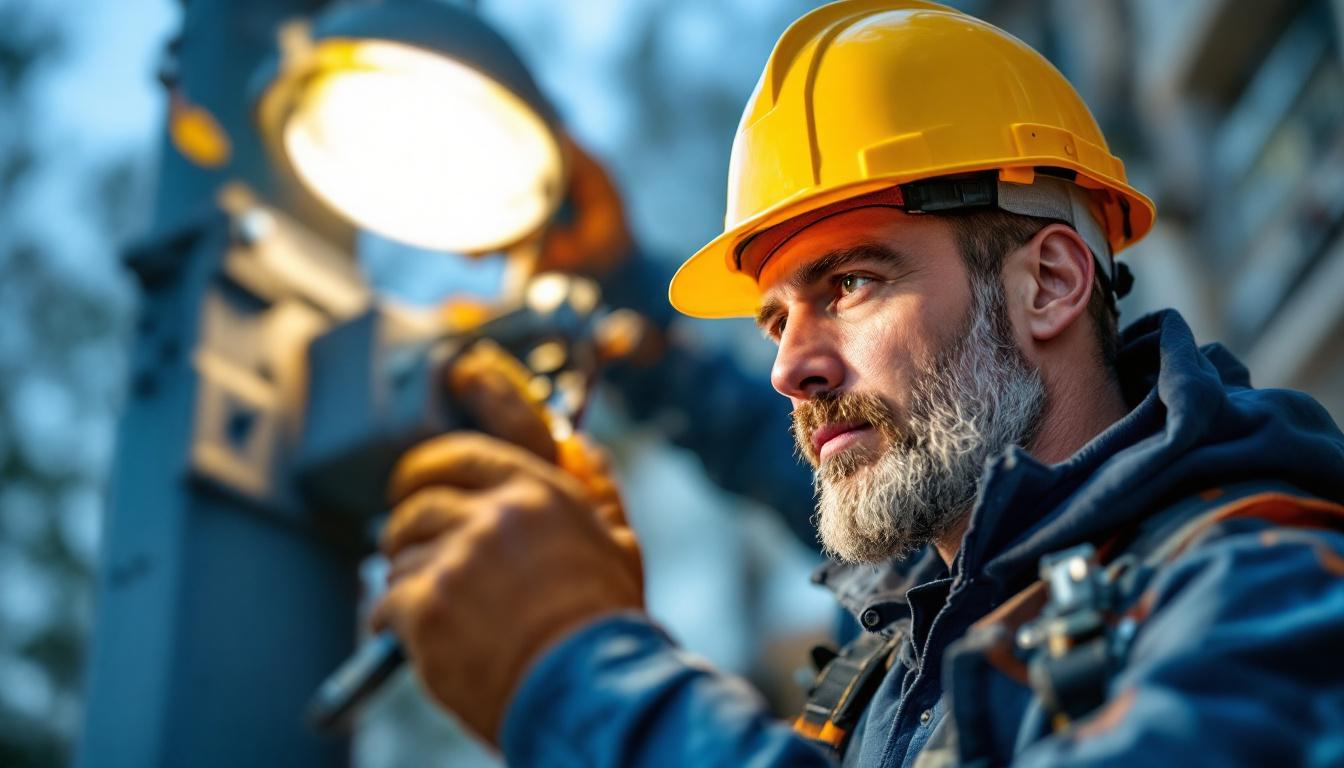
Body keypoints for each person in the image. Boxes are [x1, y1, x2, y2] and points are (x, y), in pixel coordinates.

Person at [370, 2, 1344, 766]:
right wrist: (623, 301)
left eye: (851, 283)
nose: (793, 368)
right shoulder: (918, 620)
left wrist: (577, 675)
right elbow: (780, 438)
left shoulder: (1271, 594)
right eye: (775, 318)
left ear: (1046, 283)